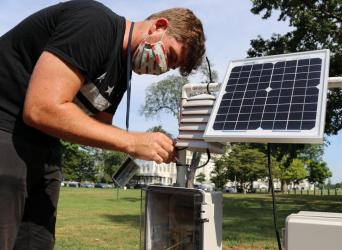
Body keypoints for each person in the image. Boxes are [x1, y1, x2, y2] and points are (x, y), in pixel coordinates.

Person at [0, 0, 206, 249]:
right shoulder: (94, 24)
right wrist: (133, 141)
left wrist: (154, 144)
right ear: (158, 27)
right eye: (170, 55)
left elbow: (98, 127)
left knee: (38, 240)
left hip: (44, 144)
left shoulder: (121, 74)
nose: (161, 68)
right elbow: (42, 108)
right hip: (6, 127)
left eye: (170, 67)